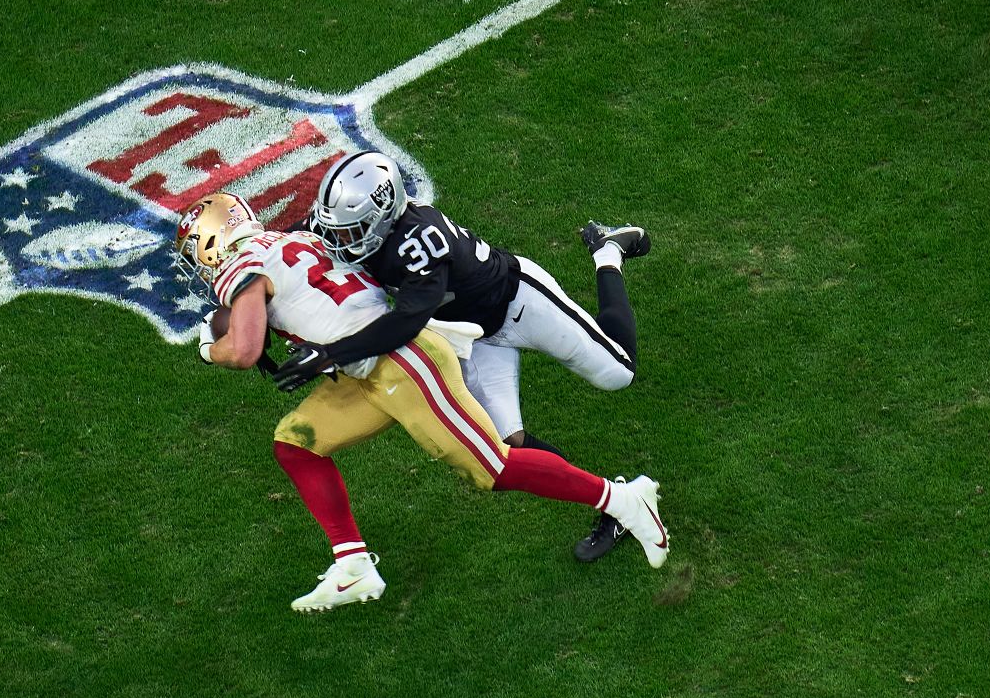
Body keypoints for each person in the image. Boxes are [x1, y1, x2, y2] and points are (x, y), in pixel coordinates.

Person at [175, 191, 669, 613]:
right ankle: (352, 564)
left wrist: (208, 347)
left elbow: (241, 350)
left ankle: (622, 499)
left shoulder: (244, 265)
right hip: (367, 366)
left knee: (492, 467)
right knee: (296, 443)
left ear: (213, 244)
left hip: (404, 363)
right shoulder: (293, 238)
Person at [275, 151, 650, 562]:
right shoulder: (347, 226)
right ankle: (615, 502)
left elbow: (406, 321)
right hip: (471, 338)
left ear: (384, 214)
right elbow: (292, 244)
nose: (340, 241)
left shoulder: (417, 239)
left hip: (517, 303)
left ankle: (608, 254)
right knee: (508, 445)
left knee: (619, 372)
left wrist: (331, 353)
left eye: (353, 230)